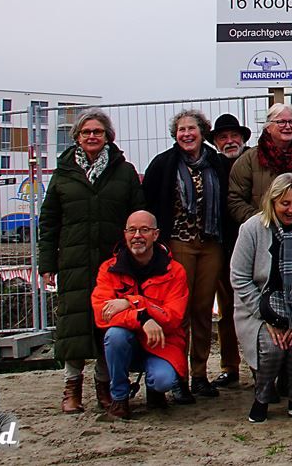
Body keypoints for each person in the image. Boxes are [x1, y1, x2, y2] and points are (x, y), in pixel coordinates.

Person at [38, 108, 144, 414]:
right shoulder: (63, 173)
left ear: (108, 136)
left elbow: (137, 214)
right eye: (86, 132)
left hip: (112, 264)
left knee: (107, 323)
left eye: (98, 132)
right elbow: (49, 222)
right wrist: (47, 264)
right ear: (77, 137)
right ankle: (72, 387)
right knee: (73, 323)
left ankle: (104, 385)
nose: (92, 137)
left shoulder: (124, 172)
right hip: (73, 261)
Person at [140, 109, 229, 400]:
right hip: (177, 243)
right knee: (178, 312)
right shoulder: (164, 163)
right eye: (181, 129)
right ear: (175, 134)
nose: (187, 134)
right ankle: (178, 376)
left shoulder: (216, 162)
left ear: (202, 132)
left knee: (203, 310)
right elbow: (149, 203)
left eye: (192, 128)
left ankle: (200, 374)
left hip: (211, 243)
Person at [231, 173, 292, 423]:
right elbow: (240, 277)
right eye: (285, 203)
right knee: (271, 346)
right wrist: (267, 318)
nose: (291, 209)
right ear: (273, 202)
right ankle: (262, 397)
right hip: (258, 305)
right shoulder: (252, 228)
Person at [90, 210, 189, 420]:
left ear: (155, 234)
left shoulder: (175, 271)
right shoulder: (108, 270)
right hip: (127, 343)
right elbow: (102, 315)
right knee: (115, 335)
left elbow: (173, 318)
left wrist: (131, 302)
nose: (137, 236)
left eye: (144, 230)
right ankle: (119, 399)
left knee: (163, 380)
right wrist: (142, 319)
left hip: (162, 343)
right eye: (132, 230)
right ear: (125, 234)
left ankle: (155, 392)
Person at [228, 103, 292, 225]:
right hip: (265, 231)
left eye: (291, 122)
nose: (288, 126)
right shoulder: (249, 159)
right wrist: (260, 221)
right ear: (268, 127)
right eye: (281, 122)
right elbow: (235, 200)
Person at [208, 112, 250, 389]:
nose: (229, 141)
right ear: (216, 142)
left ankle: (263, 365)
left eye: (234, 135)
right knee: (226, 310)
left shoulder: (254, 160)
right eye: (223, 137)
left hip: (253, 243)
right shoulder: (211, 165)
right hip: (222, 244)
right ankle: (230, 365)